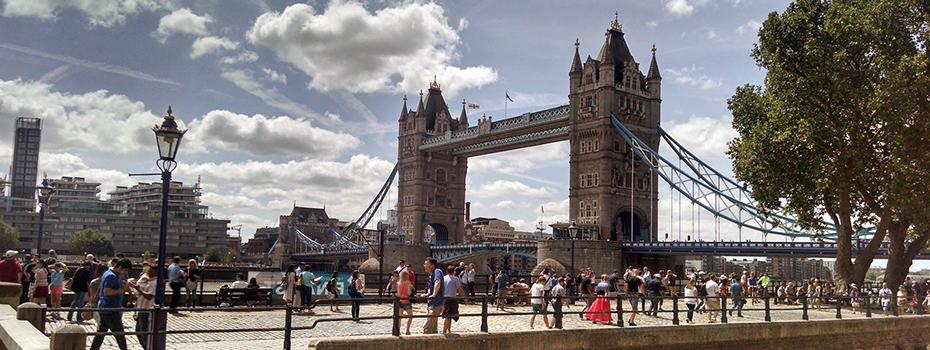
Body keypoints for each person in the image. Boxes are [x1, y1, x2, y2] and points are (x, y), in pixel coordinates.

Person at [90, 259, 133, 350]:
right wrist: (123, 289)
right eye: (124, 270)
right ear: (120, 267)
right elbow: (107, 292)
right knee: (119, 334)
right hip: (110, 309)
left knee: (101, 333)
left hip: (104, 307)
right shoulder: (111, 276)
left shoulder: (108, 272)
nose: (124, 273)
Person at [130, 266, 156, 350]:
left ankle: (148, 347)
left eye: (151, 271)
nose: (148, 272)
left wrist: (139, 289)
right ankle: (146, 347)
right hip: (141, 308)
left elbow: (149, 296)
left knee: (144, 331)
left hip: (147, 309)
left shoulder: (155, 282)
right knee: (138, 331)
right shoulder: (147, 280)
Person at [422, 258, 445, 334]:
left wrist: (434, 295)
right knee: (433, 329)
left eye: (427, 264)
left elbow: (438, 282)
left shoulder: (437, 271)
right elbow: (432, 288)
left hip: (436, 304)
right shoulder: (432, 275)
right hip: (432, 304)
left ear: (432, 265)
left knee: (427, 328)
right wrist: (427, 294)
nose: (424, 266)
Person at [441, 265, 464, 333]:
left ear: (447, 271)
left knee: (449, 315)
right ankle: (444, 330)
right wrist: (464, 298)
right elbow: (460, 289)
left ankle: (448, 329)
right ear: (454, 271)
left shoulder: (443, 278)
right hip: (452, 298)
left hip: (444, 298)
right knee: (448, 315)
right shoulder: (455, 279)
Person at [397, 270, 414, 335]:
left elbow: (398, 293)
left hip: (400, 301)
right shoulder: (408, 283)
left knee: (399, 318)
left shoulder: (398, 283)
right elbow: (409, 293)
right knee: (410, 316)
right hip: (406, 301)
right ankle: (407, 330)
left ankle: (398, 330)